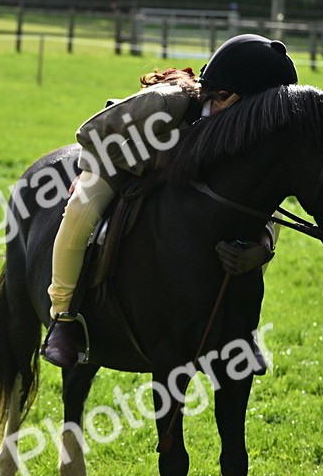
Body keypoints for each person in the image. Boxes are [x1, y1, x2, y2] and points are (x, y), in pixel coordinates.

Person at [41, 34, 298, 367]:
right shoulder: (167, 104)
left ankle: (241, 330)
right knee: (81, 208)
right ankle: (63, 318)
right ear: (226, 97)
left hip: (177, 173)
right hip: (116, 160)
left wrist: (263, 246)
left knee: (265, 207)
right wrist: (165, 157)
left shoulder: (244, 135)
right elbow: (91, 133)